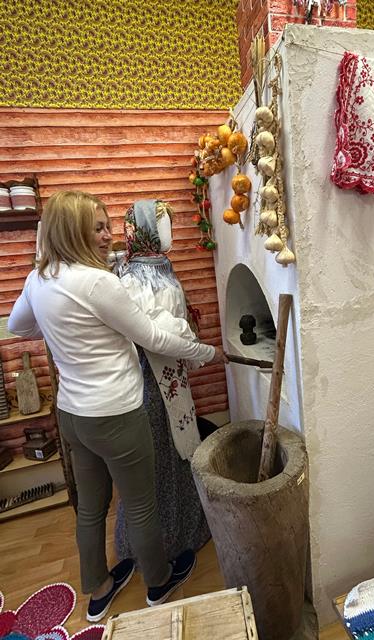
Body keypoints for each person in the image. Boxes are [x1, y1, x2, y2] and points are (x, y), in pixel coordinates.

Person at [7, 191, 227, 623]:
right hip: (116, 415)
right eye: (98, 228)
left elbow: (19, 326)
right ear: (73, 231)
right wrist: (208, 353)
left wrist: (61, 328)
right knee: (141, 503)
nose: (109, 235)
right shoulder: (99, 283)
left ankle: (99, 590)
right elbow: (154, 338)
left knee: (91, 507)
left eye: (108, 225)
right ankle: (158, 583)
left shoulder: (39, 278)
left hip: (73, 416)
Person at [114, 199, 211, 566]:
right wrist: (197, 346)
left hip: (169, 371)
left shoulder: (159, 269)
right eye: (163, 225)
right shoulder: (132, 279)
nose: (170, 232)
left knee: (175, 451)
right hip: (149, 377)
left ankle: (184, 529)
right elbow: (152, 332)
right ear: (144, 232)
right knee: (158, 458)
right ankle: (160, 546)